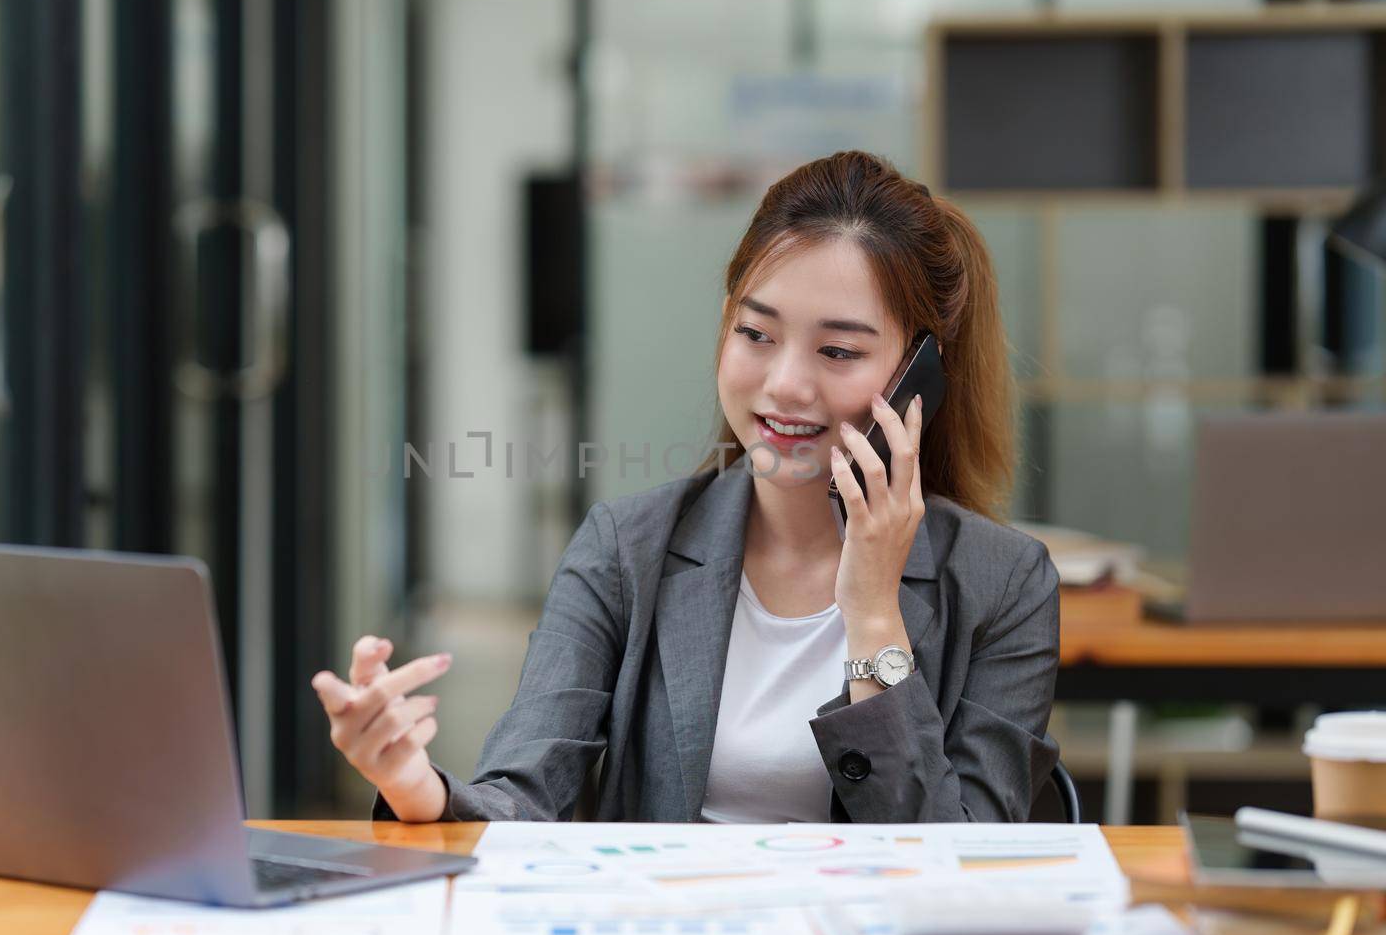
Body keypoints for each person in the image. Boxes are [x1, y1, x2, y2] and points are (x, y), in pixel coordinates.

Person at [312, 150, 1060, 824]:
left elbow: (959, 863)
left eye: (837, 350)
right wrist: (418, 787)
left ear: (916, 379)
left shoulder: (1003, 584)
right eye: (756, 333)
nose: (784, 384)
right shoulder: (629, 548)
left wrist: (871, 615)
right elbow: (523, 798)